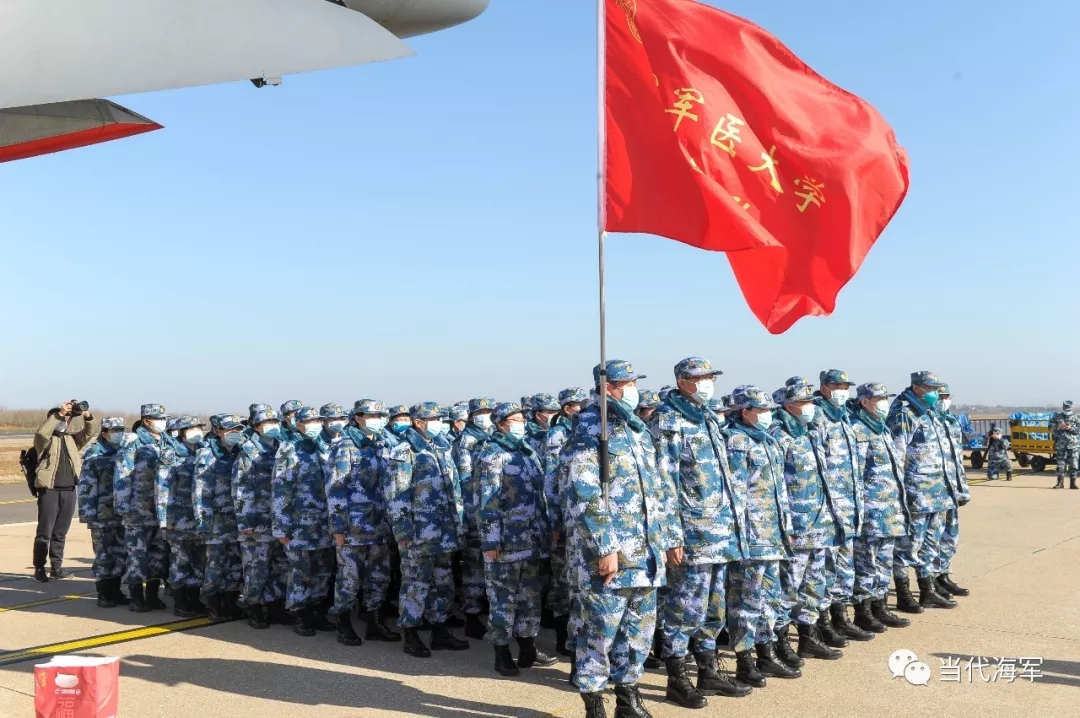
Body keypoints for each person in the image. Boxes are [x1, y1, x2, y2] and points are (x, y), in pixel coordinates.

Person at [566, 359, 682, 718]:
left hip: (646, 553)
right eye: (625, 384)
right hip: (613, 554)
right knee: (600, 634)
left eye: (633, 382)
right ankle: (594, 704)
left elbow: (660, 488)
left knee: (638, 633)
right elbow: (584, 491)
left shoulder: (637, 430)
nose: (632, 389)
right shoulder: (591, 426)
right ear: (607, 388)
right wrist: (605, 547)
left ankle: (628, 700)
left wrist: (670, 536)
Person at [652, 358, 750, 708]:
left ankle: (708, 671)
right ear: (682, 382)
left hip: (719, 532)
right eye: (700, 377)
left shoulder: (707, 416)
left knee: (714, 607)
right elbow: (663, 482)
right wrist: (671, 536)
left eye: (710, 377)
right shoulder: (668, 420)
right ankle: (677, 679)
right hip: (691, 535)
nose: (708, 382)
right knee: (683, 609)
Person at [725, 385, 800, 687]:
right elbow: (734, 495)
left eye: (770, 409)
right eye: (762, 410)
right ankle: (744, 660)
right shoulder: (735, 442)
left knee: (769, 598)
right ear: (745, 412)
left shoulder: (767, 440)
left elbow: (779, 492)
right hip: (751, 537)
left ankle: (766, 652)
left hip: (773, 534)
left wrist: (786, 528)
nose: (768, 415)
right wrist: (739, 535)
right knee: (746, 600)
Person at [475, 401, 557, 676]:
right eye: (515, 420)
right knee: (503, 598)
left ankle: (527, 647)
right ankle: (501, 652)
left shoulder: (528, 452)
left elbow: (541, 496)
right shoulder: (492, 455)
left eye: (522, 419)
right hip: (506, 542)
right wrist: (491, 541)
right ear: (500, 425)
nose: (521, 423)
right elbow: (487, 501)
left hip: (532, 540)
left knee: (530, 598)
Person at [769, 380, 844, 661]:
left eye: (811, 402)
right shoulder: (779, 435)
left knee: (814, 584)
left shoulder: (810, 432)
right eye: (805, 402)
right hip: (796, 527)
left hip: (819, 523)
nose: (811, 407)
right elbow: (775, 485)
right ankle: (778, 643)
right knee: (788, 588)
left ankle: (808, 637)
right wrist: (784, 525)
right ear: (790, 405)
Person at [387, 402, 470, 658]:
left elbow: (454, 489)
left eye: (439, 418)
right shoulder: (404, 451)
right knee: (415, 584)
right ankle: (410, 634)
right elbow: (397, 495)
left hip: (444, 530)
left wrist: (458, 524)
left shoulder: (441, 446)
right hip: (418, 533)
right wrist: (403, 532)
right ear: (418, 422)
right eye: (433, 419)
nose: (438, 423)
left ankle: (440, 630)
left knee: (443, 582)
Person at [326, 400, 402, 645]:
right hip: (353, 527)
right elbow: (335, 488)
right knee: (349, 578)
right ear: (358, 418)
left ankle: (374, 623)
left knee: (379, 577)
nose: (378, 419)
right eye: (372, 415)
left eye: (381, 415)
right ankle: (343, 623)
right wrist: (338, 527)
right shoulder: (345, 446)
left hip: (379, 525)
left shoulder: (381, 443)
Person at [810, 370, 872, 643]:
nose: (842, 390)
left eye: (846, 386)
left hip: (848, 507)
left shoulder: (844, 416)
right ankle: (822, 624)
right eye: (837, 385)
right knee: (824, 570)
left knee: (844, 568)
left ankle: (841, 618)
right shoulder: (817, 417)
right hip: (828, 509)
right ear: (824, 388)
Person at [887, 372, 957, 611]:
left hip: (936, 493)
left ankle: (927, 590)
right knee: (908, 546)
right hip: (916, 493)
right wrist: (900, 494)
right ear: (917, 388)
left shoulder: (930, 412)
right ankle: (904, 594)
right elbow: (897, 456)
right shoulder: (904, 414)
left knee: (930, 543)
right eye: (931, 388)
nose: (935, 393)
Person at [848, 383, 911, 632]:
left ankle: (880, 606)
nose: (884, 403)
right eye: (879, 399)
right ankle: (863, 612)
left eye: (886, 398)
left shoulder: (881, 428)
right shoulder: (857, 429)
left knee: (884, 561)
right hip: (871, 512)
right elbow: (854, 475)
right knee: (866, 563)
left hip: (890, 511)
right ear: (865, 402)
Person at [273, 406, 336, 637]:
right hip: (299, 525)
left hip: (324, 523)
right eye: (310, 421)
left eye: (318, 421)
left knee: (323, 569)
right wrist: (280, 527)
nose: (315, 425)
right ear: (298, 424)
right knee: (301, 571)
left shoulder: (324, 447)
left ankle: (318, 611)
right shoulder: (289, 450)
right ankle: (299, 613)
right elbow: (281, 490)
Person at [233, 406, 291, 628]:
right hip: (257, 520)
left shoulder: (282, 447)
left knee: (279, 566)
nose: (272, 426)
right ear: (256, 426)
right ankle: (253, 606)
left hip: (278, 519)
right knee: (256, 567)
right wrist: (245, 521)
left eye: (274, 422)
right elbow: (242, 489)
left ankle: (275, 605)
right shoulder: (248, 451)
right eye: (266, 423)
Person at [31, 401, 101, 583]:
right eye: (62, 419)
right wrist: (59, 414)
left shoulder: (71, 440)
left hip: (69, 490)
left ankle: (56, 567)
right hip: (49, 490)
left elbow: (90, 432)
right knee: (44, 533)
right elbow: (42, 433)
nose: (65, 422)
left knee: (60, 532)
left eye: (67, 420)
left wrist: (87, 416)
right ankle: (39, 568)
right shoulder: (44, 441)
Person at [114, 404, 172, 612]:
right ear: (146, 420)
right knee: (137, 554)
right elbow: (123, 473)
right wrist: (122, 506)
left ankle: (153, 595)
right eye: (158, 418)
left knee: (159, 553)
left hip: (161, 509)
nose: (162, 422)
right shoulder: (133, 441)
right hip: (138, 509)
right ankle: (136, 597)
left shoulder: (167, 440)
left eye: (163, 418)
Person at [543, 387, 587, 657]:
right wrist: (555, 521)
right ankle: (563, 637)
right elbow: (551, 480)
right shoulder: (558, 434)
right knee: (563, 581)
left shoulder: (585, 430)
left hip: (584, 519)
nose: (581, 409)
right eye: (576, 405)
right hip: (565, 519)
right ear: (566, 408)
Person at [451, 397, 497, 640]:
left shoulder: (493, 436)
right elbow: (465, 480)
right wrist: (472, 514)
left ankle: (487, 610)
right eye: (481, 411)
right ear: (471, 415)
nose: (486, 415)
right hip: (475, 511)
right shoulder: (466, 441)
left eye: (489, 410)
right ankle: (472, 614)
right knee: (474, 566)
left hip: (492, 511)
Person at [193, 415, 246, 621]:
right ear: (217, 431)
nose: (235, 433)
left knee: (234, 562)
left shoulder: (239, 452)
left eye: (237, 429)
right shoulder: (207, 454)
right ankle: (212, 601)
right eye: (230, 429)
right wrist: (203, 521)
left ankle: (229, 600)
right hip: (215, 519)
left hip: (235, 518)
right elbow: (200, 491)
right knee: (215, 563)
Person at [158, 416, 208, 617]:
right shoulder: (171, 454)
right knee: (180, 561)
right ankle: (180, 602)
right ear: (181, 431)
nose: (197, 431)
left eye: (198, 427)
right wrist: (165, 519)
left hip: (199, 518)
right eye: (192, 428)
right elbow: (163, 489)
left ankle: (194, 600)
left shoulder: (203, 450)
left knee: (198, 561)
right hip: (178, 518)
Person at [77, 417, 129, 606]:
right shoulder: (95, 453)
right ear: (105, 432)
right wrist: (88, 514)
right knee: (104, 555)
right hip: (101, 515)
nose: (119, 434)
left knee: (121, 554)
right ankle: (104, 594)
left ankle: (115, 590)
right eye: (115, 430)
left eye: (121, 430)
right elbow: (86, 486)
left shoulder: (124, 451)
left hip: (121, 513)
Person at [935, 384, 971, 599]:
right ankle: (930, 581)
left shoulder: (950, 421)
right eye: (940, 396)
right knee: (931, 539)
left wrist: (962, 488)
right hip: (933, 491)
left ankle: (943, 575)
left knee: (949, 537)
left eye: (947, 396)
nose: (944, 400)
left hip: (952, 489)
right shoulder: (927, 420)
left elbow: (957, 459)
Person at [1051, 400, 1080, 490]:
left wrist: (1071, 428)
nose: (1067, 410)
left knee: (1074, 464)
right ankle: (1060, 483)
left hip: (1073, 445)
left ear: (1071, 408)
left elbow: (1078, 430)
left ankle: (1073, 483)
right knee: (1061, 464)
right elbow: (1050, 427)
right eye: (1066, 409)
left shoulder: (1076, 417)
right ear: (1063, 408)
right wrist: (1059, 426)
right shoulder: (1057, 417)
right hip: (1061, 444)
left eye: (1069, 409)